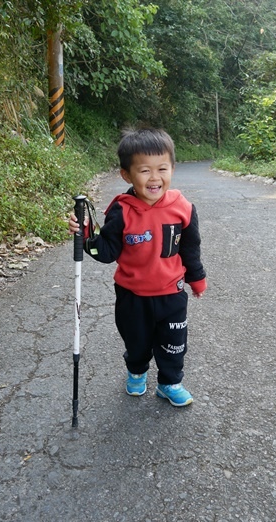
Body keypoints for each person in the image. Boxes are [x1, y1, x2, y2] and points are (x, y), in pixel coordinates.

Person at [68, 127, 207, 407]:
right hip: (132, 296)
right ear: (126, 175)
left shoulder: (183, 208)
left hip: (172, 293)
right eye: (144, 171)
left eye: (162, 169)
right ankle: (136, 372)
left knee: (174, 342)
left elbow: (190, 247)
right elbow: (106, 252)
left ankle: (169, 383)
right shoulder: (121, 211)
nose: (155, 178)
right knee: (137, 343)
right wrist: (86, 236)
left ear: (172, 169)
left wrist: (197, 278)